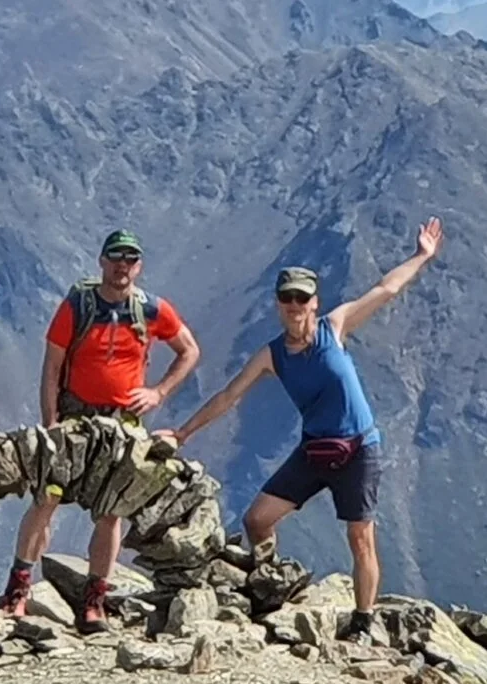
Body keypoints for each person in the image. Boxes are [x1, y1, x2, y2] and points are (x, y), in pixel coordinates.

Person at [156, 216, 444, 644]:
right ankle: (270, 583)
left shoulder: (336, 326)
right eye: (287, 298)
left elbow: (386, 289)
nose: (294, 305)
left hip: (359, 449)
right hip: (315, 450)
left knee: (360, 537)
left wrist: (421, 256)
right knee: (257, 520)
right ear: (278, 304)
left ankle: (363, 622)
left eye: (301, 298)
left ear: (314, 302)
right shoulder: (272, 356)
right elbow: (229, 396)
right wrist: (182, 434)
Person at [0, 229, 201, 633]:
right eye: (116, 257)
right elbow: (52, 366)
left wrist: (158, 392)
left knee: (111, 512)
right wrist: (50, 422)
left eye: (130, 259)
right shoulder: (78, 305)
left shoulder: (151, 309)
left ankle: (95, 602)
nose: (122, 266)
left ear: (138, 266)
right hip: (74, 416)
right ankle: (18, 590)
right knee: (47, 498)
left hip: (122, 423)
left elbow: (189, 349)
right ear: (102, 261)